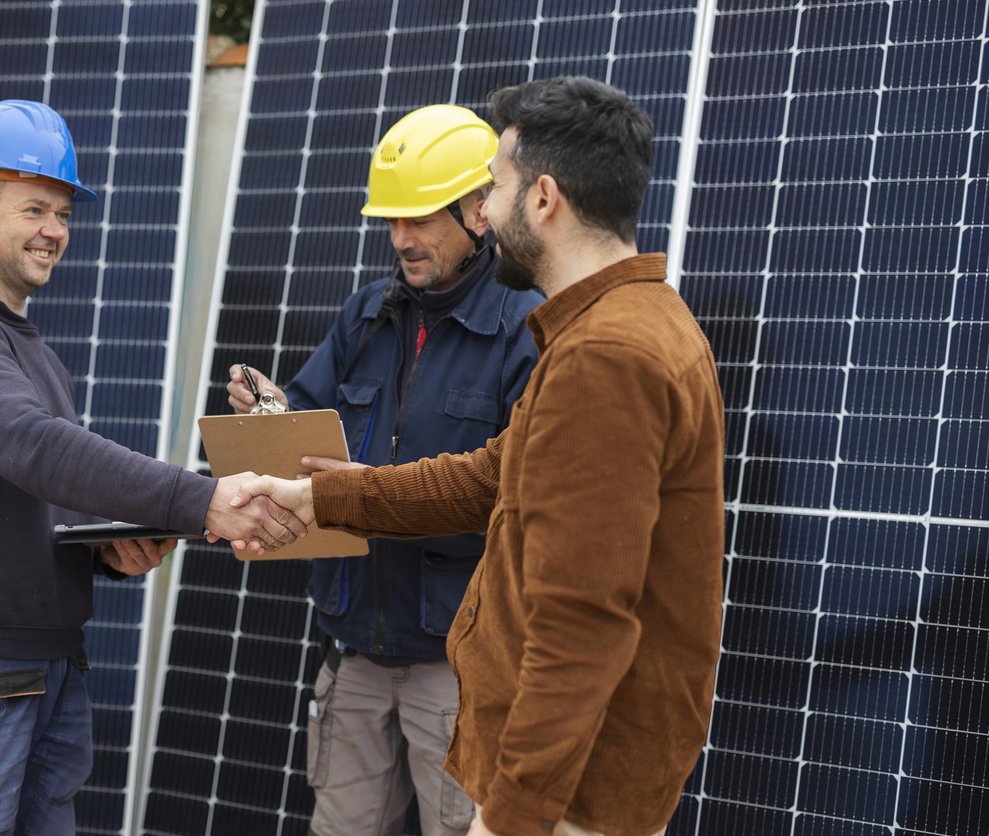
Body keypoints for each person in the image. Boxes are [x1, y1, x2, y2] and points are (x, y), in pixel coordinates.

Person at [231, 76, 725, 836]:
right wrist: (320, 498)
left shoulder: (608, 357)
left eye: (495, 188)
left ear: (543, 199)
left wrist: (511, 818)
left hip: (569, 797)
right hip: (564, 773)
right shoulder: (624, 326)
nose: (488, 209)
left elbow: (581, 626)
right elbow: (491, 476)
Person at [0, 99, 306, 836]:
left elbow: (39, 494)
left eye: (64, 213)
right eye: (34, 208)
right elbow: (34, 448)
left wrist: (106, 552)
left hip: (47, 669)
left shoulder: (33, 353)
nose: (55, 231)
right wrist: (198, 499)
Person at [226, 105, 542, 836]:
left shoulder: (527, 329)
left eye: (420, 217)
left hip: (459, 668)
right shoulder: (365, 315)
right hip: (355, 652)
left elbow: (514, 498)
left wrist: (360, 491)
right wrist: (271, 415)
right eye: (390, 219)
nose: (400, 238)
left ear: (479, 211)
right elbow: (303, 442)